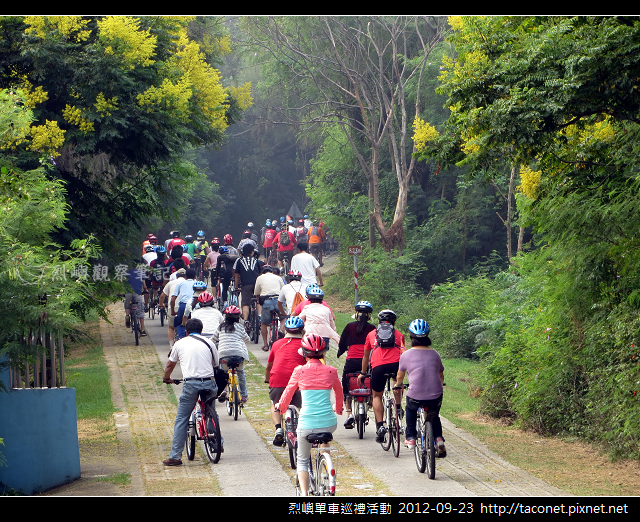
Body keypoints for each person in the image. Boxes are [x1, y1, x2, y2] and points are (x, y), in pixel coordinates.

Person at [275, 334, 343, 497]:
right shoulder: (331, 370)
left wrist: (281, 407)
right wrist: (338, 409)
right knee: (324, 441)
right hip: (329, 423)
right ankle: (326, 463)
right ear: (324, 353)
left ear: (304, 354)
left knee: (303, 460)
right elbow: (339, 393)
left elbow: (288, 393)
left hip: (307, 423)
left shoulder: (300, 371)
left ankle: (304, 495)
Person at [162, 318, 220, 466]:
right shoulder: (209, 343)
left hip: (191, 384)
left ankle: (175, 456)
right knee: (211, 411)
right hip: (209, 381)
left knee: (182, 418)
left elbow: (170, 364)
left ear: (186, 331)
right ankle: (218, 443)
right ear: (201, 330)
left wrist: (166, 378)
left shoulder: (179, 343)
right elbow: (216, 364)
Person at [395, 319, 446, 456]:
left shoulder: (405, 355)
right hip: (435, 395)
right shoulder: (435, 354)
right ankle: (439, 438)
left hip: (416, 394)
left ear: (411, 337)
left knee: (410, 409)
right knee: (434, 414)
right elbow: (441, 375)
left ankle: (411, 437)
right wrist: (440, 385)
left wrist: (398, 385)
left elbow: (400, 377)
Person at [358, 309, 406, 443]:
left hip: (378, 366)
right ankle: (398, 406)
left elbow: (366, 356)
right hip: (396, 365)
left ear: (378, 322)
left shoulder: (371, 334)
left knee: (377, 395)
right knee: (397, 383)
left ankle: (380, 427)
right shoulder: (399, 335)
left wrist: (363, 373)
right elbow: (403, 353)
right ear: (394, 323)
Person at [264, 316, 306, 446]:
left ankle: (278, 429)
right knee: (298, 405)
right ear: (302, 330)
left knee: (276, 404)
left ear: (285, 330)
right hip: (299, 382)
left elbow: (269, 366)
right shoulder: (305, 344)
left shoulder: (277, 344)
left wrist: (267, 379)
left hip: (278, 380)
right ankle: (297, 426)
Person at [337, 301, 376, 429]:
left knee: (346, 383)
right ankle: (370, 400)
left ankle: (349, 414)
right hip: (367, 361)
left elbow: (342, 343)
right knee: (371, 379)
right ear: (369, 315)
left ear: (356, 314)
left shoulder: (349, 326)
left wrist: (340, 351)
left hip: (351, 361)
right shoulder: (372, 328)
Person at [211, 305, 250, 403]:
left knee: (222, 374)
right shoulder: (240, 327)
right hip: (238, 356)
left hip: (224, 355)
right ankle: (244, 395)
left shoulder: (221, 327)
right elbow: (248, 340)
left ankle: (223, 390)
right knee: (241, 374)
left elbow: (213, 339)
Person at [254, 264, 285, 351]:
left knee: (263, 323)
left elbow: (257, 293)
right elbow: (284, 290)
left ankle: (265, 345)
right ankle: (282, 330)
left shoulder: (259, 278)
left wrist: (259, 301)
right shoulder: (278, 277)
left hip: (267, 301)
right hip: (278, 300)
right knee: (284, 317)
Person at [233, 243, 264, 324]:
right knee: (258, 300)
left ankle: (246, 321)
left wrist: (236, 286)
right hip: (256, 283)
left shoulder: (240, 261)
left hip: (245, 284)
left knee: (245, 303)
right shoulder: (256, 260)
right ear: (252, 252)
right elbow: (260, 274)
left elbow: (237, 275)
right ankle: (260, 316)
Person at [170, 268, 196, 340]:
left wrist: (173, 311)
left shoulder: (181, 284)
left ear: (185, 276)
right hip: (195, 306)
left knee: (179, 322)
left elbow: (172, 300)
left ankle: (180, 337)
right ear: (195, 277)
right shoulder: (197, 283)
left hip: (183, 305)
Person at [123, 264, 148, 337]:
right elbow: (144, 284)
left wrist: (120, 292)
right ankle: (143, 330)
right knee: (140, 311)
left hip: (128, 293)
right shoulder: (140, 273)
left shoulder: (126, 273)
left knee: (127, 305)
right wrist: (145, 290)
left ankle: (127, 315)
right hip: (138, 293)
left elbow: (122, 283)